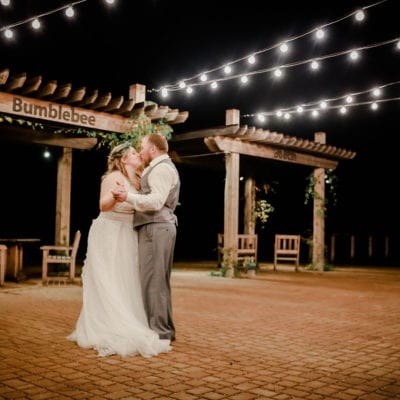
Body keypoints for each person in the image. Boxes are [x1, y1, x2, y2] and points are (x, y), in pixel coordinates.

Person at [67, 142, 172, 358]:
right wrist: (114, 196)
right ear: (123, 159)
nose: (137, 155)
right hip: (109, 231)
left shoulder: (138, 179)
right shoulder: (113, 176)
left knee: (127, 278)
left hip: (128, 233)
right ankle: (108, 324)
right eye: (133, 153)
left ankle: (129, 319)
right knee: (109, 278)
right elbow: (102, 206)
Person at [112, 133, 180, 342]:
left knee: (154, 281)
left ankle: (160, 333)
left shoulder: (161, 169)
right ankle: (164, 329)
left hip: (156, 227)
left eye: (142, 147)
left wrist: (127, 197)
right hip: (157, 227)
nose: (140, 151)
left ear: (153, 149)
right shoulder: (158, 168)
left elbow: (156, 201)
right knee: (157, 281)